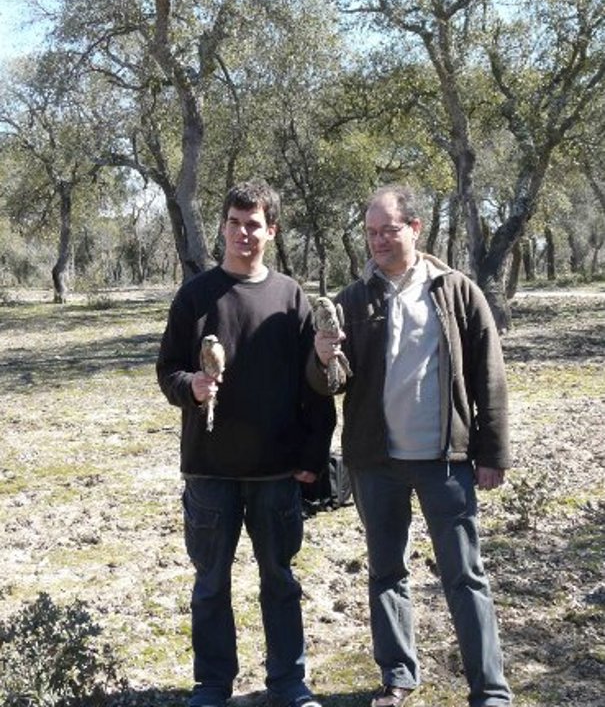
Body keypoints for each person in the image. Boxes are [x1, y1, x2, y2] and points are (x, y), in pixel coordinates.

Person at [307, 184, 512, 707]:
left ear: (414, 229)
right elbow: (332, 383)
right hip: (376, 463)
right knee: (385, 573)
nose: (378, 240)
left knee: (465, 576)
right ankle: (398, 677)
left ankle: (489, 689)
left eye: (389, 230)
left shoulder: (456, 289)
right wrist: (323, 358)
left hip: (447, 461)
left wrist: (492, 453)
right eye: (371, 232)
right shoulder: (353, 300)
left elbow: (489, 374)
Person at [157, 180, 335, 707]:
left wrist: (311, 459)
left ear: (271, 231)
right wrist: (190, 386)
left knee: (280, 580)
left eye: (253, 224)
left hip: (277, 473)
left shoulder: (290, 297)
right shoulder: (194, 296)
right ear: (223, 226)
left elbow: (316, 384)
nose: (242, 233)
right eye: (234, 223)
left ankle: (288, 683)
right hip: (209, 470)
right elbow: (167, 371)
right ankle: (212, 685)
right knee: (211, 584)